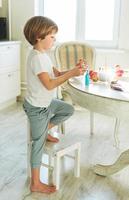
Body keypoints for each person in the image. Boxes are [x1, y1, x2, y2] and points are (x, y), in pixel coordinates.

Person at [23, 16, 86, 194]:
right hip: (37, 108)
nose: (54, 39)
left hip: (46, 103)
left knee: (68, 109)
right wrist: (72, 73)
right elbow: (50, 84)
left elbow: (57, 74)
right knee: (38, 145)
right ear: (38, 37)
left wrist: (74, 70)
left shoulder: (44, 55)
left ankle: (45, 129)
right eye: (52, 36)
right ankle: (35, 183)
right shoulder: (36, 58)